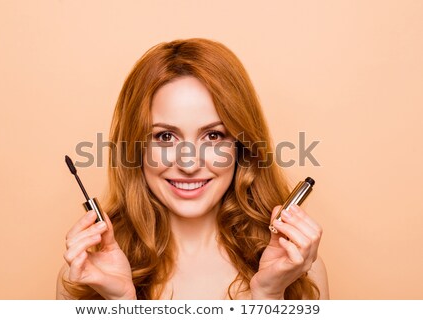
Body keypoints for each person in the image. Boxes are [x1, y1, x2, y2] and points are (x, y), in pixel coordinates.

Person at [56, 38, 329, 300]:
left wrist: (269, 297)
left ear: (241, 146)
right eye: (165, 137)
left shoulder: (298, 268)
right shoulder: (85, 276)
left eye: (213, 136)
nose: (188, 164)